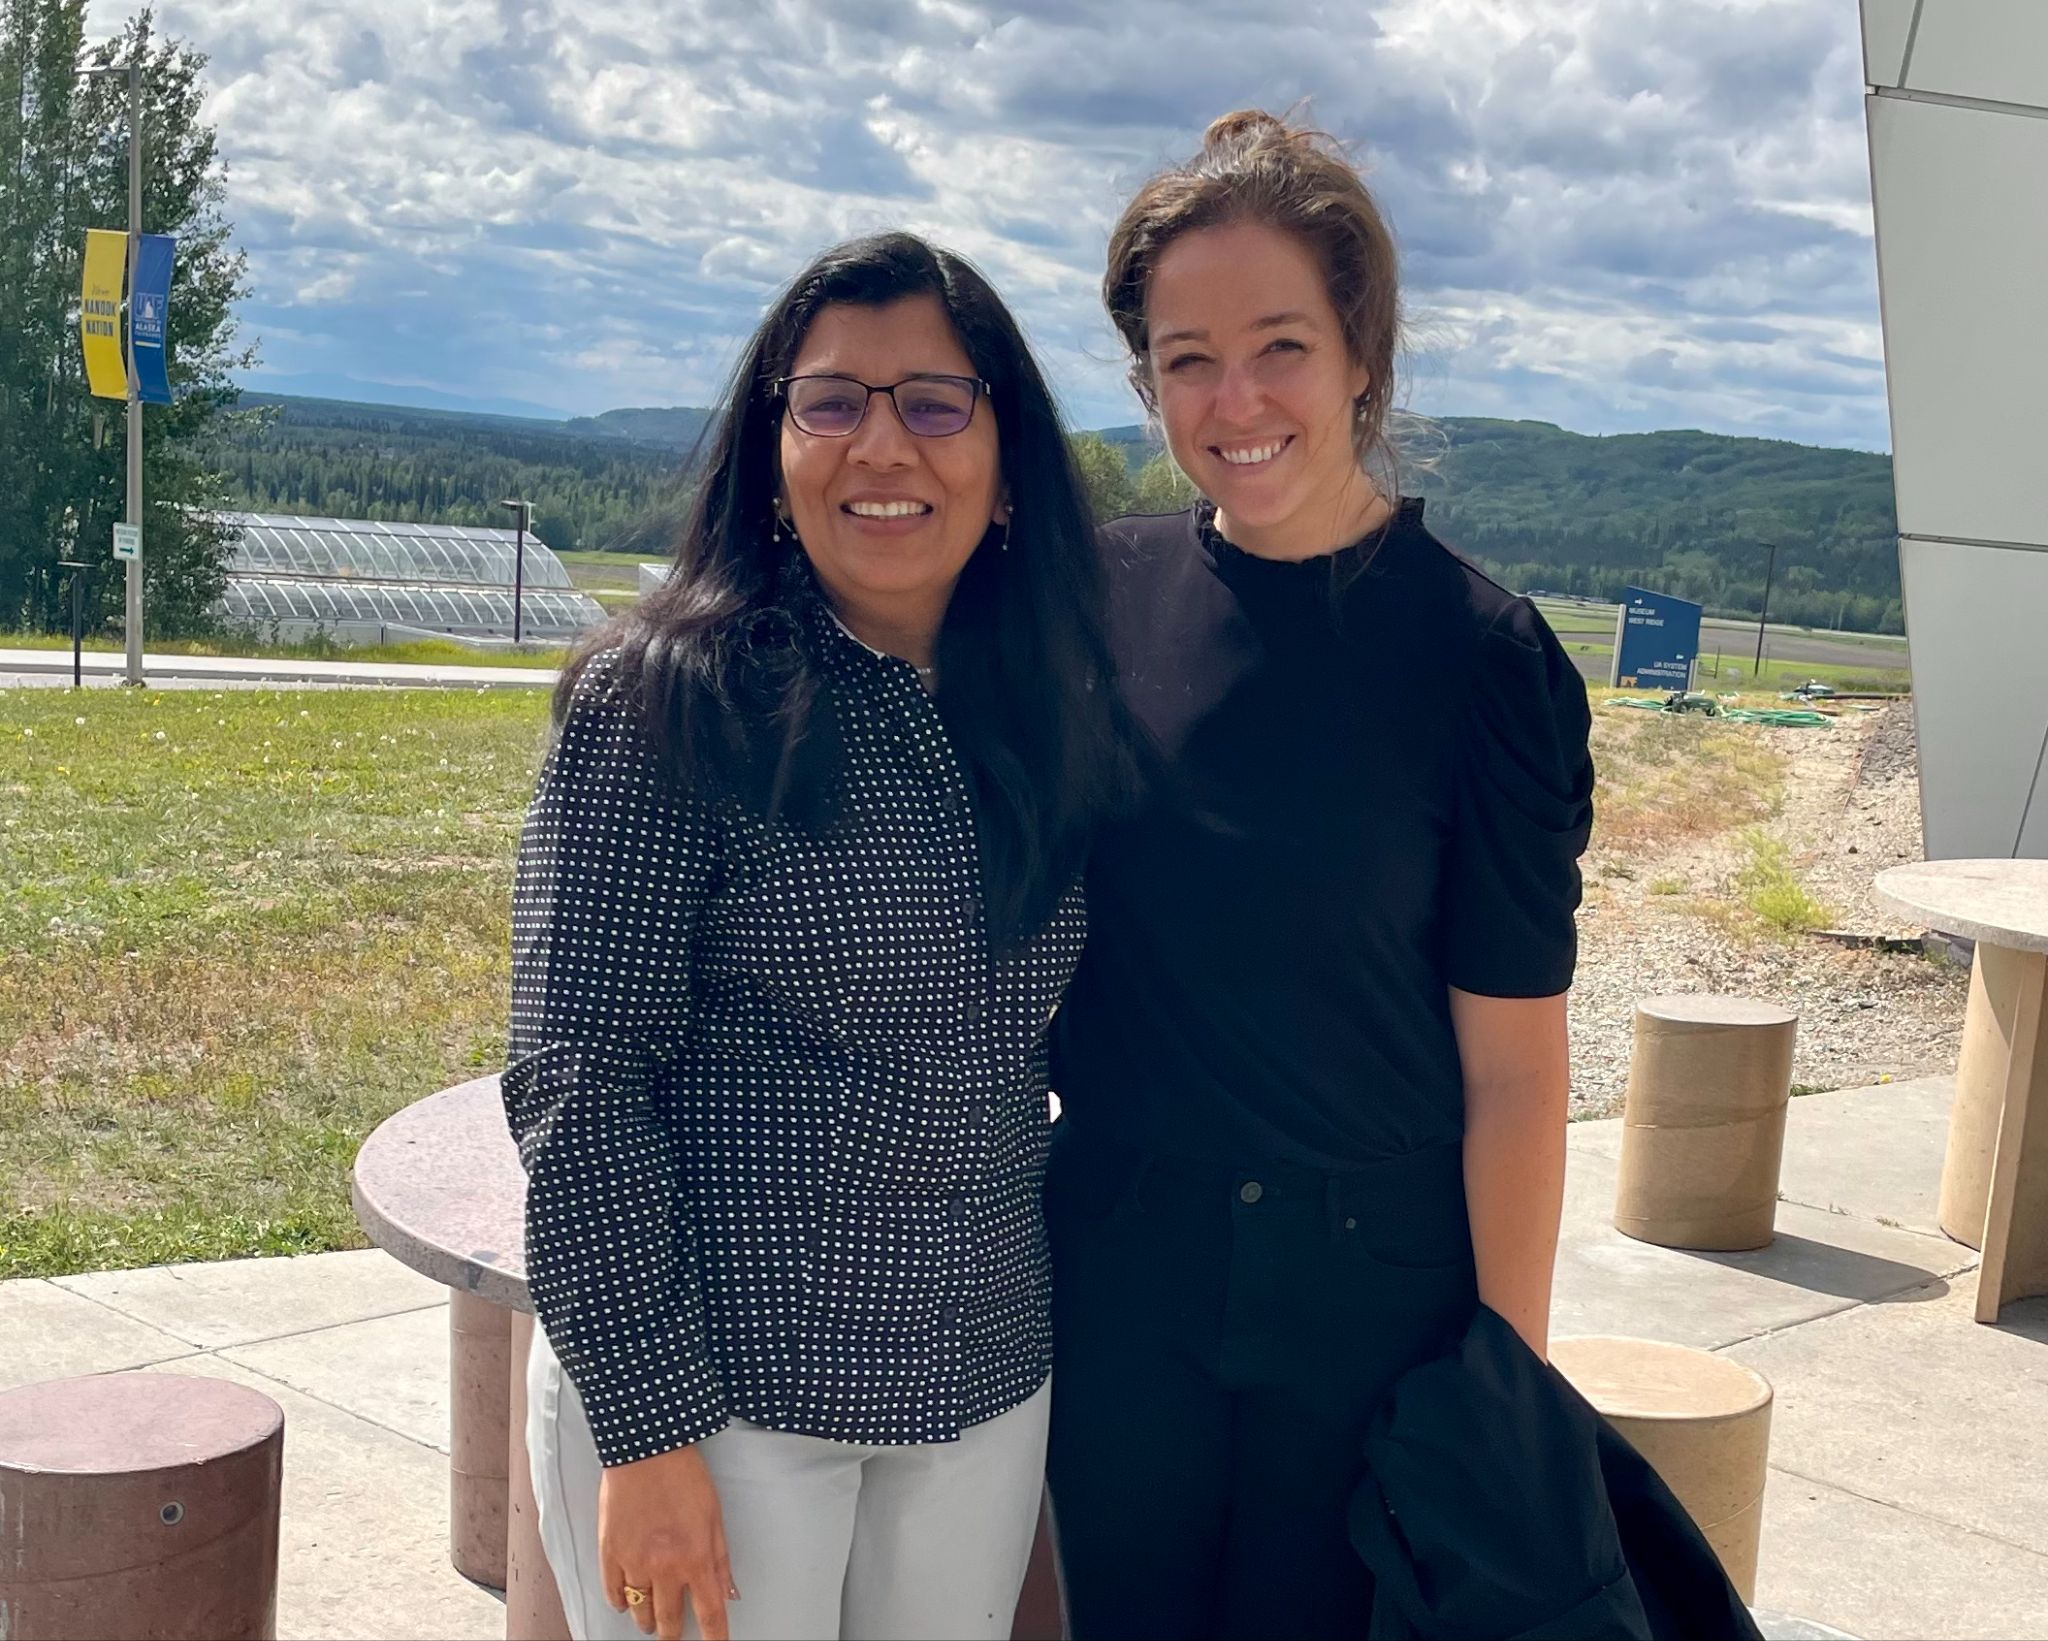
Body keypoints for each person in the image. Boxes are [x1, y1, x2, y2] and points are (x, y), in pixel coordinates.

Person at [503, 230, 1131, 1641]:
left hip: (978, 1378)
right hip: (721, 1400)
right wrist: (644, 1429)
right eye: (832, 400)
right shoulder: (662, 703)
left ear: (1008, 454)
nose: (881, 445)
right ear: (774, 450)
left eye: (934, 401)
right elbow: (576, 1081)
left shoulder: (1043, 709)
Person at [1045, 110, 1597, 1639]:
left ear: (1362, 350)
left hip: (1373, 1299)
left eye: (1281, 343)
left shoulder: (1483, 661)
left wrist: (1510, 1381)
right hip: (1119, 1273)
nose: (1236, 400)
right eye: (1186, 358)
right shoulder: (1097, 595)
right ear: (1146, 376)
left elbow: (1517, 1074)